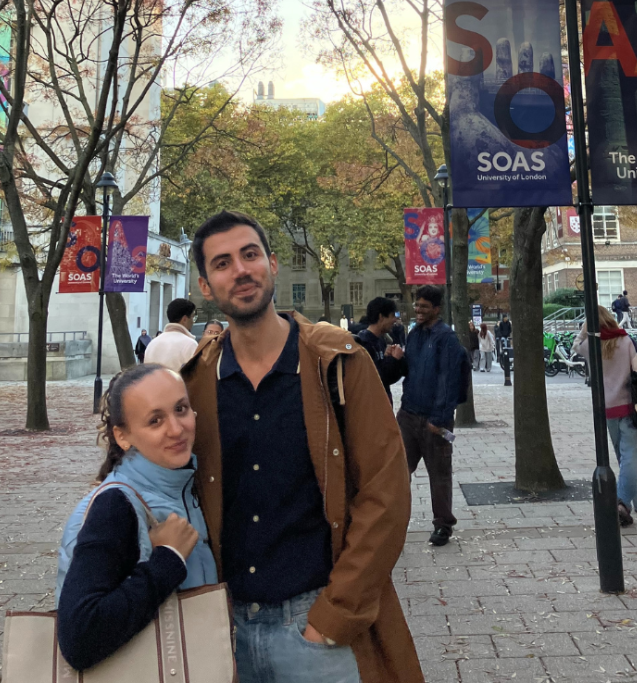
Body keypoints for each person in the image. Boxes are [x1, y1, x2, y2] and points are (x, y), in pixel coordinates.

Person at [184, 209, 423, 683]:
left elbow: (386, 494)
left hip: (316, 628)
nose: (241, 270)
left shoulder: (337, 362)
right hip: (223, 631)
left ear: (272, 264)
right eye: (223, 263)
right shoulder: (194, 384)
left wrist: (334, 615)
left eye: (250, 255)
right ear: (205, 286)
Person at [55, 363, 219, 670]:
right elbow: (80, 636)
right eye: (155, 420)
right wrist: (167, 560)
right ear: (123, 436)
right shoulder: (116, 507)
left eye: (181, 409)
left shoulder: (183, 486)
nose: (176, 428)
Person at [394, 284, 464, 547]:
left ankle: (443, 525)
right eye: (416, 305)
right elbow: (409, 371)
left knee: (439, 474)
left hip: (435, 420)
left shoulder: (446, 339)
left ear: (436, 309)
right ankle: (393, 521)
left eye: (424, 306)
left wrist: (440, 417)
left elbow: (450, 380)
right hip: (409, 414)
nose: (418, 310)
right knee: (398, 471)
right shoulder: (414, 335)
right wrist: (396, 359)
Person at [574, 306, 637, 527]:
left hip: (607, 409)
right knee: (630, 458)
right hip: (631, 406)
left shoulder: (590, 345)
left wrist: (584, 330)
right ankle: (622, 503)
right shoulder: (626, 342)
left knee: (624, 458)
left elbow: (575, 347)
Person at [353, 296, 405, 402]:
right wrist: (393, 359)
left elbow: (388, 377)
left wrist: (391, 359)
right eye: (392, 316)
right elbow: (375, 378)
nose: (395, 320)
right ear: (381, 317)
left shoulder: (380, 340)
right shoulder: (364, 343)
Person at [143, 298, 198, 372]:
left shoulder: (153, 343)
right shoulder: (190, 344)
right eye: (192, 317)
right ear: (184, 319)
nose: (193, 321)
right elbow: (195, 376)